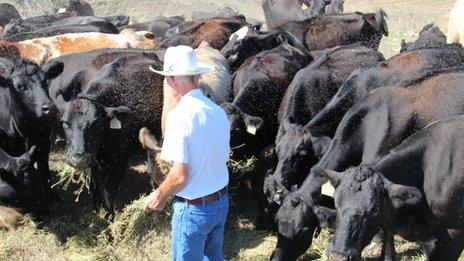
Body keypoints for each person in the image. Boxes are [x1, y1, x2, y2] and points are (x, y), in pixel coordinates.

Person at [144, 45, 230, 261]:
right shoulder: (218, 111)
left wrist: (160, 195)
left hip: (194, 210)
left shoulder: (179, 117)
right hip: (220, 203)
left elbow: (179, 175)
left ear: (173, 80)